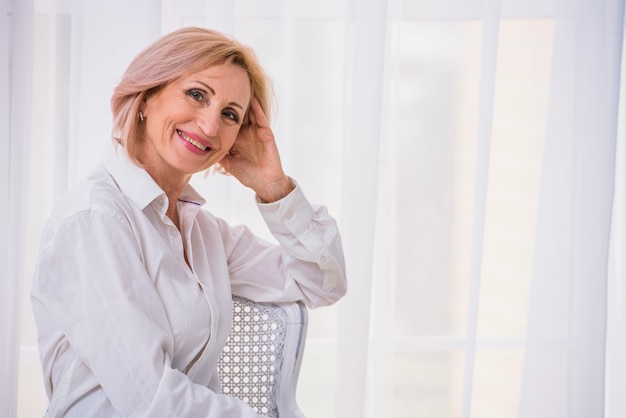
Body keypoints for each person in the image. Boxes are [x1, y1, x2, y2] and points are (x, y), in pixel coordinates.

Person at [31, 27, 347, 417]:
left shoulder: (202, 231)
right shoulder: (95, 220)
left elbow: (322, 281)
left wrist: (274, 187)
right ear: (146, 97)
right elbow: (152, 400)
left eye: (230, 115)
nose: (211, 126)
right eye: (197, 95)